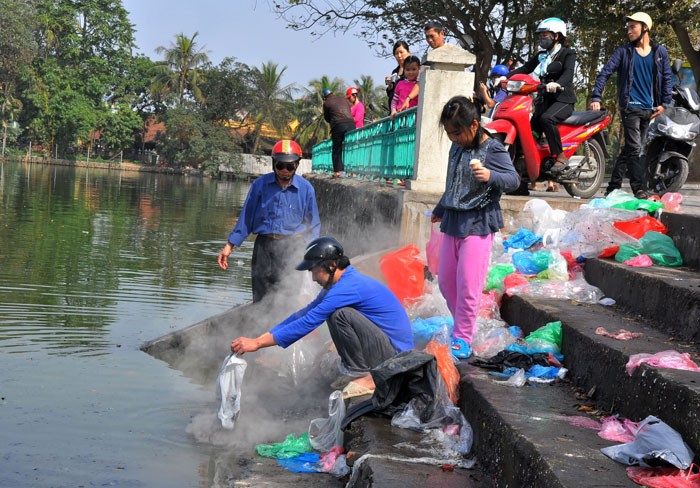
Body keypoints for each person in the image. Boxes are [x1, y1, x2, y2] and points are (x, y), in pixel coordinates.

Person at [230, 236, 413, 397]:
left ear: (332, 266)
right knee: (334, 314)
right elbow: (305, 313)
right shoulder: (340, 283)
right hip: (384, 347)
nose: (313, 278)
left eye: (315, 271)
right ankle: (356, 370)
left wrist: (258, 344)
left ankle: (364, 375)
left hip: (394, 356)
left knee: (339, 315)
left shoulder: (346, 287)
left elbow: (309, 322)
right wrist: (260, 339)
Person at [431, 96, 520, 359]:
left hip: (479, 223)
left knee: (469, 285)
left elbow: (513, 180)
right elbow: (453, 184)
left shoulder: (492, 149)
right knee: (447, 282)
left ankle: (462, 337)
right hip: (453, 221)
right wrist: (439, 208)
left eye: (457, 132)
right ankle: (464, 325)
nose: (453, 138)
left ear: (473, 125)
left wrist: (491, 176)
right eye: (448, 133)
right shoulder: (457, 149)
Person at [217, 139, 321, 302]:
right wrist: (230, 246)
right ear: (273, 164)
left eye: (289, 167)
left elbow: (313, 224)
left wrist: (309, 252)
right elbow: (247, 217)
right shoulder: (260, 185)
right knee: (260, 295)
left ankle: (282, 325)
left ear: (297, 165)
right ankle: (260, 326)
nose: (284, 171)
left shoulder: (306, 189)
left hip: (292, 248)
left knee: (288, 297)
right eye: (280, 166)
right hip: (264, 247)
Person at [590, 12, 672, 199]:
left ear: (645, 28)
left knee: (629, 148)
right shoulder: (624, 52)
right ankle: (639, 188)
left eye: (632, 27)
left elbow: (667, 78)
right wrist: (596, 96)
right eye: (628, 27)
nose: (628, 31)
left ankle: (613, 186)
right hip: (630, 107)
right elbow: (605, 73)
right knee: (636, 149)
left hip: (649, 109)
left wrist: (664, 103)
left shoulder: (660, 53)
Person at [508, 17, 576, 174]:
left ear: (556, 36)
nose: (541, 39)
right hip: (544, 100)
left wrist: (558, 84)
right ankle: (523, 174)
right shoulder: (541, 56)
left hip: (563, 100)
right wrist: (506, 77)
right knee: (530, 130)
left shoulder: (568, 53)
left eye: (545, 35)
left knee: (547, 118)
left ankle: (560, 156)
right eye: (540, 36)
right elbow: (525, 69)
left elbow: (568, 73)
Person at [322, 88, 356, 177]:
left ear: (325, 97)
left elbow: (327, 118)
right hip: (351, 124)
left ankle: (338, 171)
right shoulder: (343, 99)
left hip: (338, 125)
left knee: (337, 149)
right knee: (352, 148)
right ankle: (353, 171)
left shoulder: (326, 103)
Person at [385, 41, 411, 111]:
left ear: (408, 52)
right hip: (394, 111)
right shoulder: (395, 71)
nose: (399, 56)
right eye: (396, 53)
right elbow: (393, 94)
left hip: (407, 108)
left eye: (401, 52)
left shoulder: (414, 69)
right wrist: (390, 85)